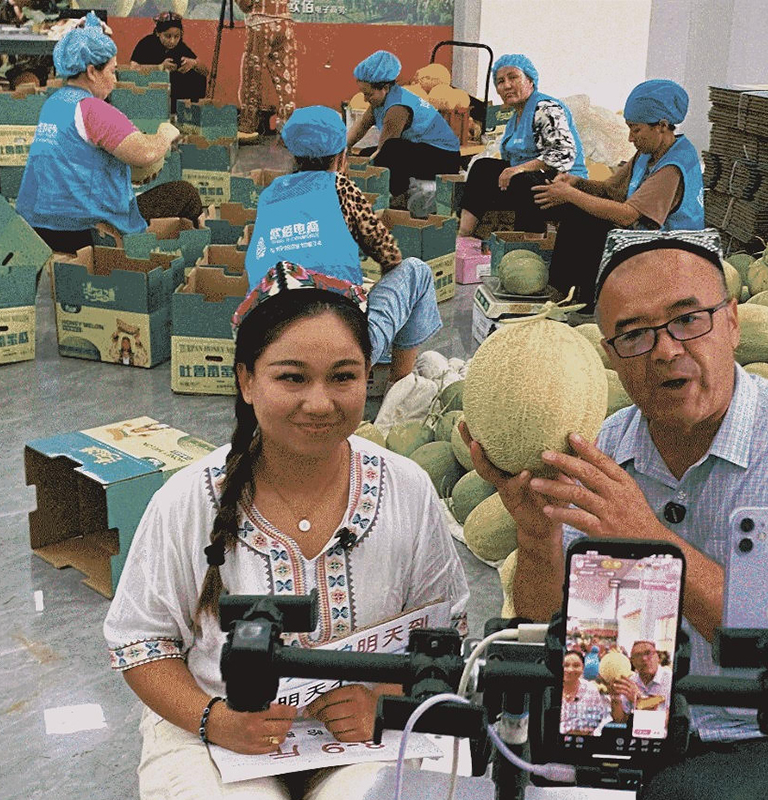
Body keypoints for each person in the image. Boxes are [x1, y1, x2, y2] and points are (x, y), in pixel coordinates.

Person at [461, 228, 768, 799]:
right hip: (657, 719)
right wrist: (536, 534)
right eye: (633, 334)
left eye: (687, 319)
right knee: (503, 761)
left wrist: (650, 540)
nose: (666, 349)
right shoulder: (607, 449)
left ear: (731, 322)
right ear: (611, 357)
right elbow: (562, 635)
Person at [104, 261, 470, 799]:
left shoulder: (406, 490)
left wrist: (384, 699)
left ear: (368, 377)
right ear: (247, 380)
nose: (319, 402)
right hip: (211, 729)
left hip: (369, 724)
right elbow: (140, 643)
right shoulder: (186, 500)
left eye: (343, 376)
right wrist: (215, 719)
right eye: (292, 377)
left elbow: (444, 628)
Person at [247, 106, 442, 380]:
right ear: (341, 157)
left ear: (292, 155)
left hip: (271, 352)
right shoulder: (340, 187)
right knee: (416, 271)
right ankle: (400, 388)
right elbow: (388, 254)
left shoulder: (269, 196)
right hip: (336, 354)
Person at [16, 14, 202, 254]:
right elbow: (146, 153)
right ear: (92, 71)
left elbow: (76, 162)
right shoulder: (93, 109)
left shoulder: (54, 103)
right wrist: (166, 133)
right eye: (112, 72)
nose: (114, 81)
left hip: (40, 228)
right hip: (84, 232)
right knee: (184, 194)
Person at [538, 79, 705, 312]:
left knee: (592, 224)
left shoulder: (673, 167)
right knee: (579, 211)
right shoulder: (648, 152)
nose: (630, 138)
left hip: (670, 255)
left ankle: (584, 304)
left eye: (635, 129)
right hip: (644, 238)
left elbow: (627, 215)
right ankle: (562, 293)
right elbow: (610, 190)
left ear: (662, 125)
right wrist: (577, 183)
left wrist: (570, 195)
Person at [457, 54, 588, 239]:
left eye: (513, 77)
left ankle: (529, 247)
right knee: (483, 168)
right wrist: (513, 170)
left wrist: (517, 169)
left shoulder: (545, 107)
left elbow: (562, 153)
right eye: (500, 81)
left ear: (530, 81)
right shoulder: (515, 117)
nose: (507, 85)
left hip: (564, 183)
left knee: (522, 180)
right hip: (529, 179)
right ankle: (464, 237)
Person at [345, 50, 461, 210]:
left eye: (369, 94)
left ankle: (394, 201)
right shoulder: (379, 102)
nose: (365, 99)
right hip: (422, 149)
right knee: (365, 153)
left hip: (444, 158)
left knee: (391, 150)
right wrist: (344, 148)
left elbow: (383, 150)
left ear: (385, 88)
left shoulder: (397, 108)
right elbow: (360, 127)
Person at [235, 0, 297, 143]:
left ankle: (248, 126)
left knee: (252, 77)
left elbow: (245, 3)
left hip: (260, 23)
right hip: (285, 22)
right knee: (286, 79)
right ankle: (288, 128)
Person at [130, 12, 207, 111]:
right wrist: (159, 67)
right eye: (168, 36)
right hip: (149, 96)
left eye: (177, 36)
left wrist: (193, 63)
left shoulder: (181, 47)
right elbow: (133, 69)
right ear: (158, 33)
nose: (172, 41)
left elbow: (205, 71)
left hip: (173, 98)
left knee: (196, 76)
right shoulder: (146, 44)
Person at [608, 640, 673, 722]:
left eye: (648, 653)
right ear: (632, 662)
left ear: (658, 657)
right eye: (638, 655)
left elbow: (666, 721)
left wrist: (639, 700)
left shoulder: (670, 681)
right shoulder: (631, 682)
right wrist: (615, 698)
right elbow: (620, 720)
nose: (644, 659)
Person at [559, 650, 612, 736]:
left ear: (583, 668)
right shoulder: (551, 689)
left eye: (576, 665)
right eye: (566, 665)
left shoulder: (591, 690)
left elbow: (595, 719)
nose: (570, 670)